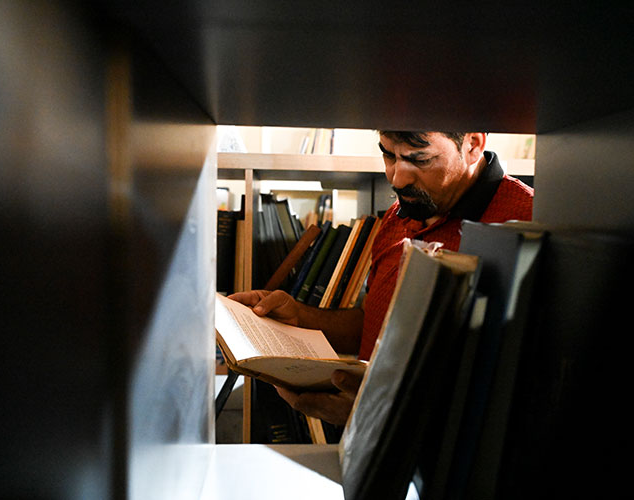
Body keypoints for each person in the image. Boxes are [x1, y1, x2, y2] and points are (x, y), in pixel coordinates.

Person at [229, 131, 534, 426]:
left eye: (420, 159)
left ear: (472, 144)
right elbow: (376, 323)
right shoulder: (397, 215)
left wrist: (381, 416)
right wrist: (299, 317)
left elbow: (521, 390)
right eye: (388, 155)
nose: (397, 179)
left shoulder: (530, 221)